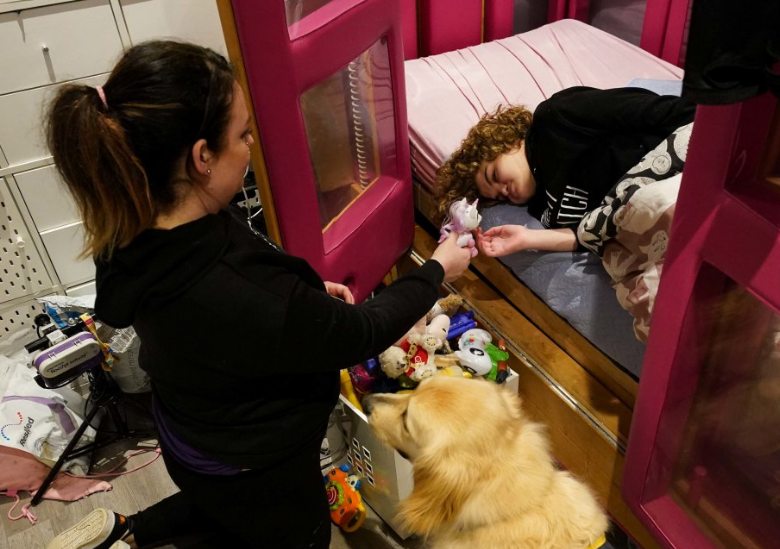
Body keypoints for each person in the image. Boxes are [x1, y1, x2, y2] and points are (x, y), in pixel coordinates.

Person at [44, 41, 472, 549]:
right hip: (256, 461)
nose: (251, 144)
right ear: (201, 157)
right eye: (243, 134)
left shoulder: (130, 224)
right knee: (287, 529)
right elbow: (360, 332)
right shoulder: (238, 288)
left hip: (189, 431)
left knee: (219, 505)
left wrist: (302, 294)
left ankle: (126, 532)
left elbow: (255, 297)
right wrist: (437, 269)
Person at [435, 86, 695, 257]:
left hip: (677, 165)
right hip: (649, 221)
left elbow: (648, 110)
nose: (505, 191)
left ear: (507, 141)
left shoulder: (556, 118)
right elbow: (586, 236)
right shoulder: (540, 210)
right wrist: (527, 238)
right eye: (500, 197)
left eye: (494, 175)